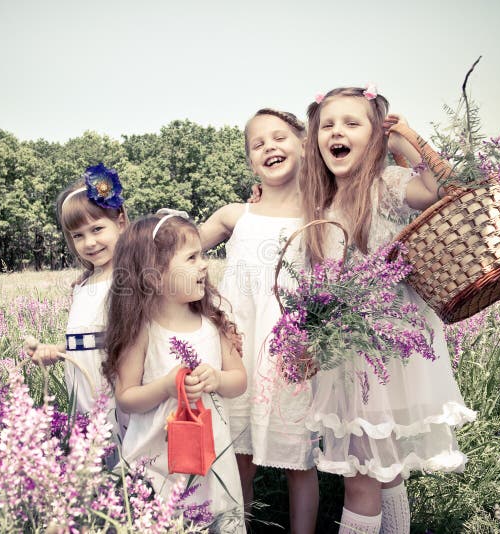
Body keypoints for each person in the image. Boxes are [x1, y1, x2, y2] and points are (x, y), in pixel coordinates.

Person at [300, 87, 477, 534]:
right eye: (328, 125)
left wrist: (410, 141)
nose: (337, 132)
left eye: (352, 123)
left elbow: (450, 187)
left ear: (375, 138)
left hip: (385, 354)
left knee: (362, 477)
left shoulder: (388, 186)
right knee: (384, 471)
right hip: (346, 356)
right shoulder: (320, 206)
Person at [200, 109, 318, 533]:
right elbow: (173, 247)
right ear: (251, 162)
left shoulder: (319, 215)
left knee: (298, 462)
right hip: (236, 355)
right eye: (258, 143)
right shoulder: (236, 215)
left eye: (280, 137)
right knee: (238, 459)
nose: (270, 146)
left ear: (305, 146)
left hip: (290, 355)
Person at [103, 213, 246, 532]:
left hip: (209, 453)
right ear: (154, 277)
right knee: (162, 520)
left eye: (203, 255)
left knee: (212, 514)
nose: (204, 265)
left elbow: (239, 380)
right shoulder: (142, 332)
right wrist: (167, 387)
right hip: (157, 457)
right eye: (192, 257)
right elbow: (126, 397)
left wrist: (218, 379)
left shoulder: (212, 323)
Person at [24, 163, 128, 457]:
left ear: (120, 222)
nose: (89, 242)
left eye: (97, 229)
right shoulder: (83, 286)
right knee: (92, 454)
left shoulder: (129, 279)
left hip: (116, 385)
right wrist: (54, 351)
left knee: (121, 454)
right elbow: (89, 340)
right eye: (78, 235)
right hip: (83, 387)